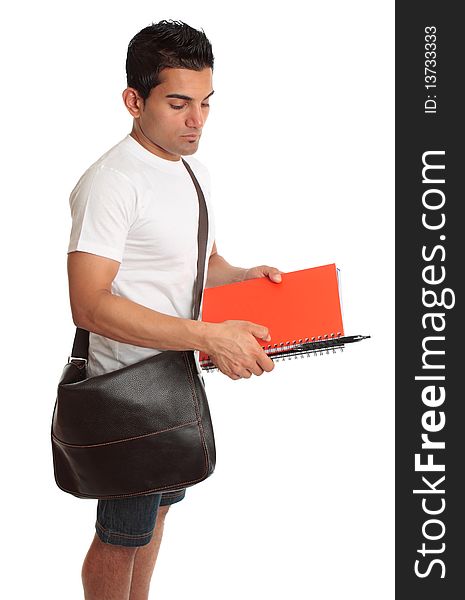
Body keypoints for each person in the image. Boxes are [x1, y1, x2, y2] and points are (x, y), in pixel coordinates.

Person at [67, 20, 282, 600]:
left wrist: (241, 276)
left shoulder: (193, 171)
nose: (197, 121)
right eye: (179, 102)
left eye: (206, 103)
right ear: (134, 101)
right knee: (122, 535)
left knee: (157, 514)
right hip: (126, 387)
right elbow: (89, 305)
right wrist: (208, 335)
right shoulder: (111, 182)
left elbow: (196, 261)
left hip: (174, 379)